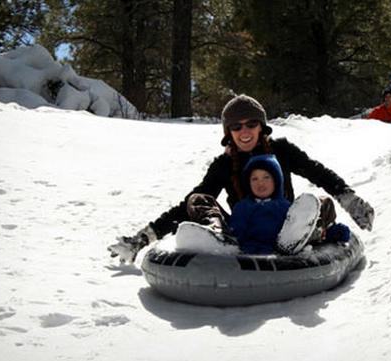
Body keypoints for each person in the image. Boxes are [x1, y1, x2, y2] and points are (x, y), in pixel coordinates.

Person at [108, 94, 373, 263]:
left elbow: (318, 172)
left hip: (286, 224)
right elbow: (188, 204)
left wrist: (350, 200)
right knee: (198, 199)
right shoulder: (224, 164)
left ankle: (302, 235)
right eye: (236, 127)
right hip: (243, 230)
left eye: (251, 124)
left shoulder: (281, 150)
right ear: (228, 132)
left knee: (320, 202)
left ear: (262, 126)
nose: (244, 131)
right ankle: (219, 235)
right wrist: (143, 238)